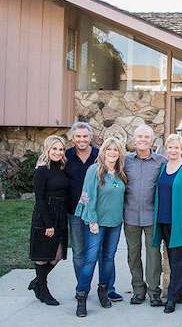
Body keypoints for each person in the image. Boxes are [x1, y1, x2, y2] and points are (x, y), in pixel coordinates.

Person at [74, 137, 127, 317]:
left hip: (115, 223)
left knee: (108, 259)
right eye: (109, 149)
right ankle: (81, 297)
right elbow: (87, 195)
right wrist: (92, 221)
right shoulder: (94, 170)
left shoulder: (121, 173)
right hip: (97, 222)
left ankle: (103, 291)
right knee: (90, 259)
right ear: (103, 152)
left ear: (119, 153)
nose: (112, 153)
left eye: (116, 150)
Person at [152, 134, 182, 314]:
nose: (173, 151)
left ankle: (171, 299)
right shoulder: (163, 168)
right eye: (170, 147)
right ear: (166, 149)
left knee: (179, 261)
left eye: (176, 148)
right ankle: (179, 293)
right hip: (163, 221)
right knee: (173, 261)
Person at [123, 124, 167, 306]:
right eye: (139, 137)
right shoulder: (125, 161)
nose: (142, 140)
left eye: (146, 137)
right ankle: (138, 290)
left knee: (153, 255)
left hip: (152, 217)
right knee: (133, 254)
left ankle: (154, 292)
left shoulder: (161, 161)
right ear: (134, 139)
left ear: (152, 140)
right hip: (130, 215)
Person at [28, 135, 70, 306]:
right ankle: (43, 290)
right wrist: (48, 224)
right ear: (47, 149)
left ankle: (38, 281)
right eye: (54, 149)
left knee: (57, 254)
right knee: (43, 255)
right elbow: (40, 199)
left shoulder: (61, 167)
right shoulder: (42, 170)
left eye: (61, 149)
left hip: (61, 215)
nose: (58, 152)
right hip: (45, 216)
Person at [64, 122, 98, 285]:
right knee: (78, 251)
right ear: (73, 138)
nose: (82, 139)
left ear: (90, 137)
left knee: (95, 251)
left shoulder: (99, 155)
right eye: (78, 136)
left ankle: (105, 286)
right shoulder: (67, 156)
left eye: (85, 136)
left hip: (95, 212)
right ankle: (82, 286)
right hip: (74, 211)